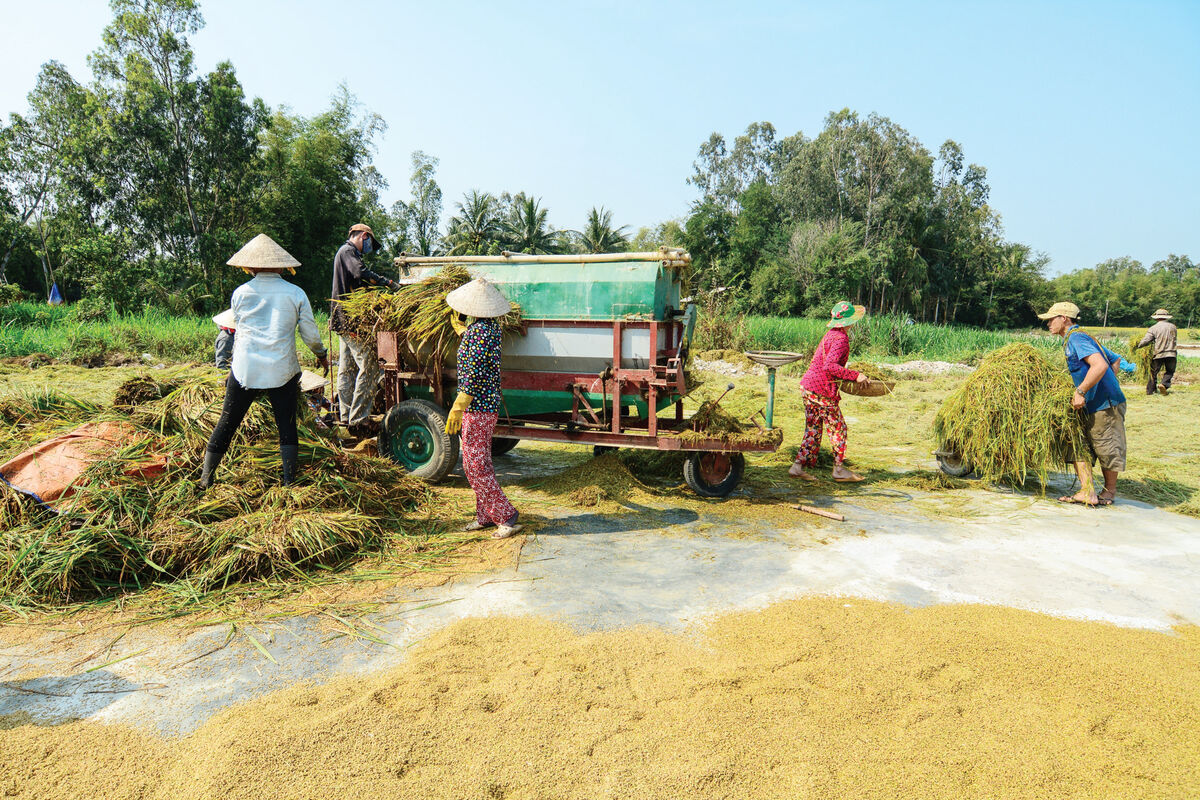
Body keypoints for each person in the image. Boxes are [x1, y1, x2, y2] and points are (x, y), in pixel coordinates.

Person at [200, 234, 329, 489]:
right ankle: (289, 481)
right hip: (282, 369)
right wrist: (321, 355)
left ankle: (206, 477)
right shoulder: (296, 293)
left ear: (252, 266)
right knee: (286, 426)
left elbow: (240, 328)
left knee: (227, 422)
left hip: (245, 368)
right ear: (281, 266)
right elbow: (310, 334)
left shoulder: (240, 293)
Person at [443, 277, 522, 538]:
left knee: (474, 466)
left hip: (477, 407)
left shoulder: (478, 333)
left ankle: (505, 516)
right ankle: (485, 515)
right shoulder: (489, 329)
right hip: (486, 407)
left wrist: (458, 406)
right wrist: (463, 332)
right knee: (482, 462)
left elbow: (474, 374)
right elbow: (477, 350)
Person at [1037, 301, 1126, 507]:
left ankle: (1109, 492)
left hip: (1105, 405)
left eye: (1051, 319)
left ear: (1064, 319)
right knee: (1077, 443)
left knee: (1106, 445)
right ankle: (1087, 491)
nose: (1048, 323)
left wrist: (1082, 390)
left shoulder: (1077, 338)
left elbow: (1100, 364)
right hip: (1091, 403)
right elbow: (1115, 359)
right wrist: (1104, 382)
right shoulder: (1078, 337)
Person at [330, 223, 401, 438]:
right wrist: (387, 283)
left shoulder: (346, 253)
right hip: (348, 320)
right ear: (363, 235)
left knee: (347, 369)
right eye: (369, 241)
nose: (369, 247)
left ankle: (345, 417)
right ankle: (359, 419)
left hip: (342, 320)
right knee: (369, 364)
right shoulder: (348, 251)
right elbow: (360, 272)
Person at [789, 301, 871, 483]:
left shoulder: (831, 334)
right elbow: (830, 366)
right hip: (821, 390)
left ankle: (797, 467)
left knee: (813, 429)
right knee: (838, 428)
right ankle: (839, 470)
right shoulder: (841, 339)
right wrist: (856, 375)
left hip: (808, 386)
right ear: (850, 321)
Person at [1134, 308, 1178, 396]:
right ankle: (1164, 384)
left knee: (1153, 372)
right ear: (1166, 317)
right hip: (1171, 353)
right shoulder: (1173, 327)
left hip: (1159, 353)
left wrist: (1138, 345)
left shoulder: (1153, 328)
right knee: (1170, 371)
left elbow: (1147, 340)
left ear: (1157, 318)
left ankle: (1150, 391)